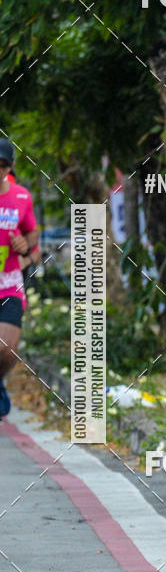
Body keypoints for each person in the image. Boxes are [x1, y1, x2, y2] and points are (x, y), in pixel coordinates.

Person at [0, 139, 39, 418]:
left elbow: (32, 235)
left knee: (7, 350)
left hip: (9, 284)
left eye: (2, 165)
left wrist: (26, 245)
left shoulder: (22, 197)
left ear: (10, 167)